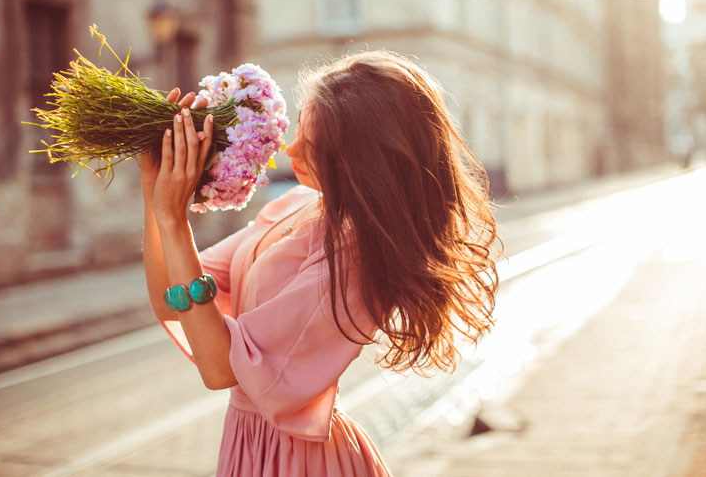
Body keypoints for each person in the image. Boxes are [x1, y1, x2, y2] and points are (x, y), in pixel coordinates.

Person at [139, 51, 500, 476]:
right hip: (250, 447)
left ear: (358, 160)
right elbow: (171, 302)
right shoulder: (296, 205)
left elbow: (219, 369)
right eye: (299, 130)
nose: (289, 149)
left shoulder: (353, 255)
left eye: (312, 147)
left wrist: (173, 217)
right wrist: (155, 188)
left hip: (301, 462)